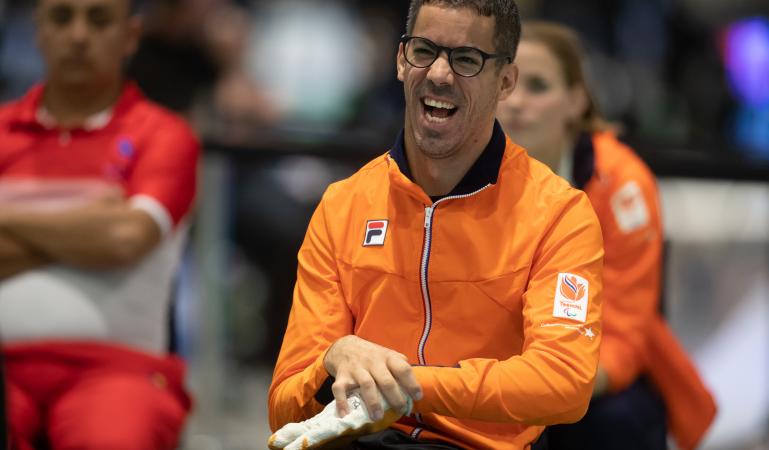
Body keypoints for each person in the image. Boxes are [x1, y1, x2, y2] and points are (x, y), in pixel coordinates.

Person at [267, 1, 605, 449]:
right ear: (401, 62)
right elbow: (284, 404)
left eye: (466, 59)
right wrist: (332, 359)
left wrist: (407, 386)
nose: (440, 74)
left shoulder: (560, 214)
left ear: (505, 81)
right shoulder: (342, 204)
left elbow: (563, 383)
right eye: (424, 50)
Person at [497, 21, 716, 450]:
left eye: (538, 86)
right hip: (498, 366)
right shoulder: (466, 168)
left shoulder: (624, 186)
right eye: (508, 85)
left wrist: (554, 385)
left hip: (593, 370)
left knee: (617, 425)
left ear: (576, 100)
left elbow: (624, 331)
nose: (517, 103)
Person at [0, 0, 199, 449]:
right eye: (62, 17)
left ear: (130, 35)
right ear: (38, 31)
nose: (78, 35)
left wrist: (7, 216)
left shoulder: (165, 135)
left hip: (119, 372)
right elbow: (109, 235)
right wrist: (89, 221)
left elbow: (126, 238)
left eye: (98, 19)